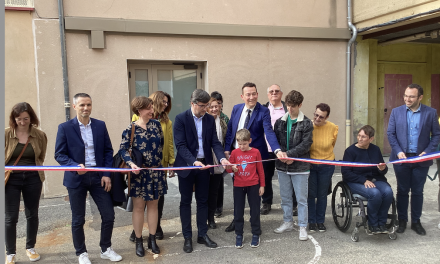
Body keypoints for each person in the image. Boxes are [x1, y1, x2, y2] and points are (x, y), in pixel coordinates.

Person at [55, 93, 122, 264]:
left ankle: (105, 249)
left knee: (108, 215)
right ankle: (81, 253)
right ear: (75, 106)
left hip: (98, 176)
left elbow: (108, 151)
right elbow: (59, 154)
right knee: (78, 219)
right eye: (82, 105)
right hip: (76, 178)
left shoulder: (100, 125)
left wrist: (107, 174)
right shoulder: (65, 127)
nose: (86, 108)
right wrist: (74, 166)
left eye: (89, 105)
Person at [173, 89, 231, 253]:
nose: (206, 109)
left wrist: (221, 159)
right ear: (192, 104)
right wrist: (193, 161)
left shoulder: (209, 120)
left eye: (207, 105)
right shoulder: (180, 119)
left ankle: (202, 234)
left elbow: (214, 142)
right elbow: (181, 146)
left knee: (203, 201)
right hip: (186, 166)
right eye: (202, 106)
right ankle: (187, 237)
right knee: (185, 202)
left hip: (205, 166)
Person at [224, 82, 285, 232]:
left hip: (254, 159)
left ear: (257, 94)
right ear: (242, 96)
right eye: (248, 94)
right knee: (238, 193)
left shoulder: (263, 111)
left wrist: (277, 149)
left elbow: (268, 131)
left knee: (254, 194)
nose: (251, 97)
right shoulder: (236, 108)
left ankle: (254, 223)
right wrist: (227, 149)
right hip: (236, 158)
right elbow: (231, 130)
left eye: (254, 94)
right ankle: (237, 219)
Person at [387, 83, 440, 235]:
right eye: (405, 95)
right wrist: (398, 151)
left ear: (420, 97)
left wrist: (428, 151)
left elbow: (436, 135)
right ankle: (402, 220)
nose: (407, 99)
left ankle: (416, 222)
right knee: (402, 190)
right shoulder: (396, 112)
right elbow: (391, 133)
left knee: (417, 191)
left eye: (411, 96)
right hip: (401, 158)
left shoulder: (430, 113)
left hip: (421, 159)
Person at [119, 96, 167, 256]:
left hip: (156, 172)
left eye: (152, 107)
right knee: (139, 208)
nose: (152, 110)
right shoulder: (130, 129)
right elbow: (123, 150)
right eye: (149, 108)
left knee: (154, 206)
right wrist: (131, 164)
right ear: (139, 110)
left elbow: (161, 145)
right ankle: (138, 240)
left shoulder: (157, 125)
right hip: (139, 175)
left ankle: (152, 239)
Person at [5, 102, 47, 264]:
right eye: (18, 119)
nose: (22, 122)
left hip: (33, 178)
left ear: (31, 118)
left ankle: (30, 247)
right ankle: (10, 252)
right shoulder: (6, 134)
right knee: (11, 217)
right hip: (11, 179)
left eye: (26, 119)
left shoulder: (39, 135)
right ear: (13, 119)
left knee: (32, 214)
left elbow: (41, 156)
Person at [129, 91, 174, 241]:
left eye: (167, 102)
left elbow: (166, 143)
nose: (165, 105)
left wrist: (170, 162)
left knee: (156, 202)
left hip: (159, 166)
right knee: (140, 204)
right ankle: (137, 233)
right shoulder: (136, 120)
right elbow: (129, 145)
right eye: (163, 101)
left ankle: (154, 231)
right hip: (141, 169)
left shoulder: (165, 122)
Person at [272, 90, 313, 241]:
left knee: (301, 199)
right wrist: (281, 155)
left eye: (293, 106)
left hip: (300, 168)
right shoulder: (280, 122)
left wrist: (290, 155)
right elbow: (275, 142)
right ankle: (287, 222)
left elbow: (306, 144)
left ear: (300, 105)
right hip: (282, 166)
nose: (290, 109)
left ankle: (302, 226)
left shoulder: (307, 122)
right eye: (288, 105)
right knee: (285, 198)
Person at [342, 125, 392, 234]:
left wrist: (382, 168)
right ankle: (373, 224)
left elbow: (382, 169)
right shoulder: (350, 151)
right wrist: (363, 180)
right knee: (375, 194)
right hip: (355, 181)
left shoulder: (375, 149)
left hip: (375, 179)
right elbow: (346, 172)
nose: (359, 139)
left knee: (388, 192)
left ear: (371, 139)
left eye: (363, 137)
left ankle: (382, 223)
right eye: (358, 135)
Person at [262, 84, 298, 216]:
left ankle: (294, 204)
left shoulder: (288, 109)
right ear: (268, 94)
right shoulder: (262, 109)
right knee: (265, 177)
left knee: (289, 176)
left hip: (284, 150)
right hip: (266, 149)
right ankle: (266, 202)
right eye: (271, 91)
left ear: (281, 94)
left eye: (277, 91)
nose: (274, 93)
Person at [226, 129, 265, 248]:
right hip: (238, 185)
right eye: (240, 144)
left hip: (253, 184)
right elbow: (228, 168)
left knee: (255, 210)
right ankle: (239, 234)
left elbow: (261, 170)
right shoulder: (234, 153)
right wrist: (232, 168)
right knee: (238, 211)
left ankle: (256, 233)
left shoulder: (256, 152)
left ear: (250, 141)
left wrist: (262, 185)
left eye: (244, 143)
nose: (242, 146)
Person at [308, 103, 338, 232]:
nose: (317, 119)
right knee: (310, 194)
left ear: (327, 117)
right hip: (310, 164)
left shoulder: (333, 128)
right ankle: (311, 221)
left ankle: (320, 221)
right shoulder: (308, 126)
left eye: (321, 117)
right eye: (316, 115)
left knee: (322, 194)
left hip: (327, 165)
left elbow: (332, 145)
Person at [206, 96, 227, 229]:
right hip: (207, 161)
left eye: (216, 106)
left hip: (219, 161)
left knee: (214, 191)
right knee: (204, 192)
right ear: (207, 108)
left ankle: (211, 217)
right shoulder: (204, 122)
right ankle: (204, 217)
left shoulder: (223, 123)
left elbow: (225, 140)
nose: (214, 109)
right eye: (211, 106)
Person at [211, 91, 228, 217]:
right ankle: (209, 208)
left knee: (218, 183)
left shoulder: (224, 119)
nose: (215, 108)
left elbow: (228, 136)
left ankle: (218, 207)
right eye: (212, 106)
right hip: (207, 156)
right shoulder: (205, 119)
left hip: (220, 154)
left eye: (218, 104)